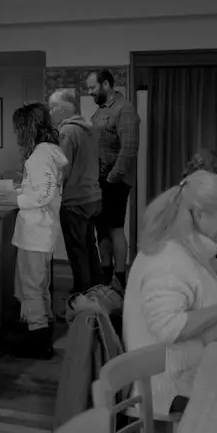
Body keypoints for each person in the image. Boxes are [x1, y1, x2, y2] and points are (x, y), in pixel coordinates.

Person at [122, 171, 217, 415]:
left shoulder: (182, 248)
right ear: (200, 215)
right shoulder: (166, 261)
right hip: (164, 390)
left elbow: (195, 303)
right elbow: (170, 328)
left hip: (188, 371)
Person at [0, 102, 68, 359]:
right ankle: (42, 335)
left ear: (27, 128)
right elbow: (40, 190)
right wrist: (17, 193)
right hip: (42, 231)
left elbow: (43, 194)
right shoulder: (49, 152)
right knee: (40, 286)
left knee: (32, 288)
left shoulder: (39, 156)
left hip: (35, 232)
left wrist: (12, 199)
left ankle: (39, 343)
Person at [87, 69, 140, 289]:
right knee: (101, 229)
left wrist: (111, 179)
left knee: (115, 228)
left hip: (114, 182)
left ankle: (119, 279)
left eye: (92, 87)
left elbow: (128, 149)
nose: (90, 92)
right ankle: (105, 276)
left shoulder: (124, 109)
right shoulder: (100, 111)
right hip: (98, 180)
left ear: (106, 85)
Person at [48, 88, 102, 293]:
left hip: (75, 200)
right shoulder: (90, 128)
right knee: (90, 248)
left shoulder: (67, 131)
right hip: (93, 197)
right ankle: (98, 295)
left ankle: (81, 301)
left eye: (53, 107)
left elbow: (63, 169)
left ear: (63, 109)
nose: (50, 112)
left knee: (77, 252)